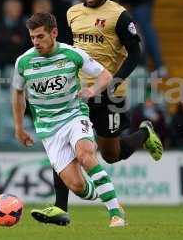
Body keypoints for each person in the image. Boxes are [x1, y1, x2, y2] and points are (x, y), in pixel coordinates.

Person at [31, 0, 163, 225]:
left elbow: (136, 53)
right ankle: (60, 208)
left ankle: (145, 133)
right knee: (66, 145)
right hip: (77, 92)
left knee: (111, 155)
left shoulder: (120, 16)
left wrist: (115, 81)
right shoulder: (72, 13)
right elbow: (70, 49)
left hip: (109, 93)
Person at [12, 12, 125, 227]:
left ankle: (115, 215)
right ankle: (109, 198)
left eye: (40, 36)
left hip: (74, 115)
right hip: (48, 129)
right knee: (78, 187)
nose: (36, 42)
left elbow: (106, 76)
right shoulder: (23, 62)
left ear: (54, 33)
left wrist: (92, 89)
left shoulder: (72, 54)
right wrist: (19, 127)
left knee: (85, 155)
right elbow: (17, 94)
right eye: (32, 37)